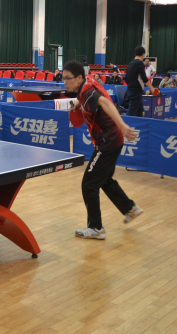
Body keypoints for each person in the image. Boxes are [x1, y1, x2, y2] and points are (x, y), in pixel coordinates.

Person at [62, 60, 142, 240]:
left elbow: (104, 101)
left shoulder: (87, 92)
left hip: (107, 142)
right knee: (104, 179)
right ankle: (130, 208)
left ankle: (96, 228)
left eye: (68, 78)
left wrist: (123, 125)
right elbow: (90, 99)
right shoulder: (86, 85)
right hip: (113, 140)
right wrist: (78, 104)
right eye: (63, 78)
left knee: (89, 183)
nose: (64, 82)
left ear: (79, 77)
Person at [125, 46, 155, 117]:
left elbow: (126, 78)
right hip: (135, 93)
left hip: (131, 92)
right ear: (143, 54)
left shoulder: (130, 63)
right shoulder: (140, 63)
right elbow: (144, 78)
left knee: (140, 114)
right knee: (130, 116)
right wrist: (151, 87)